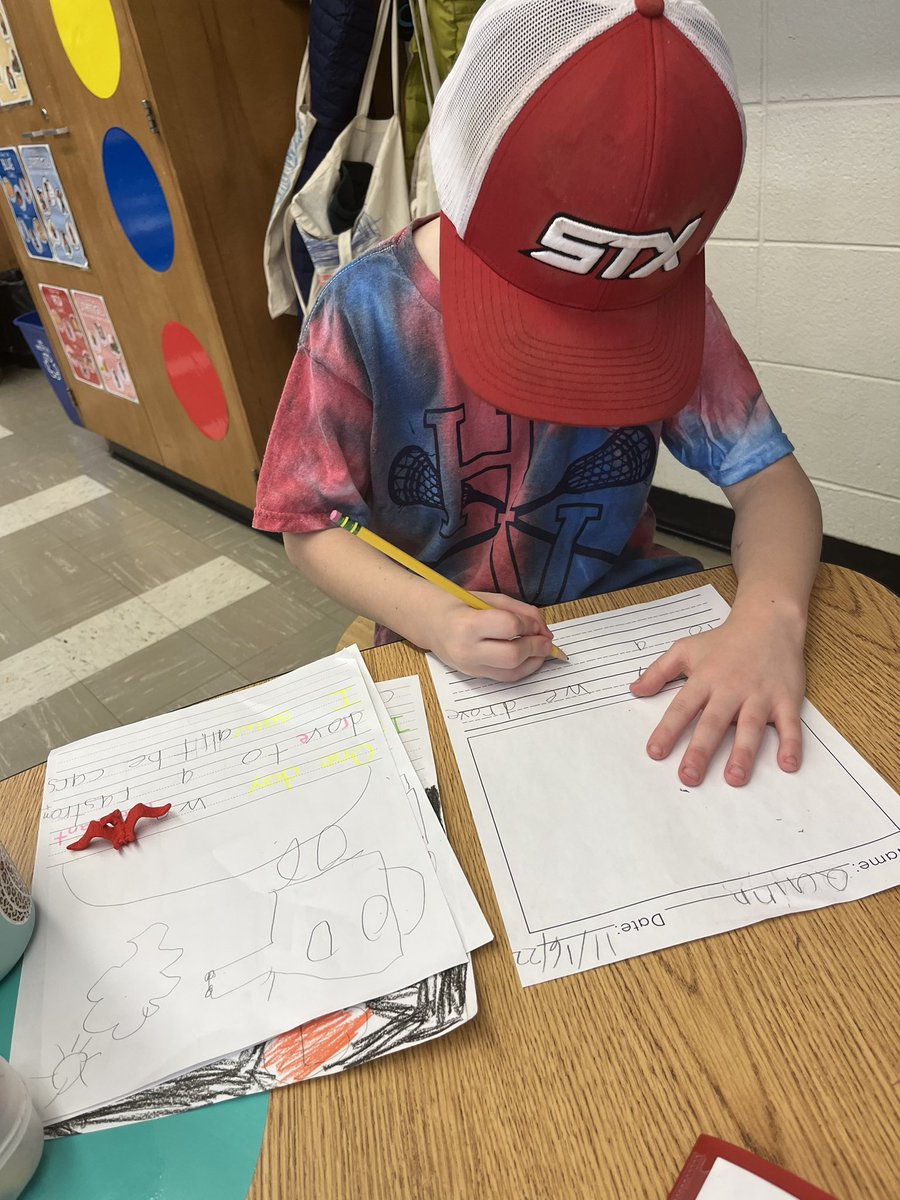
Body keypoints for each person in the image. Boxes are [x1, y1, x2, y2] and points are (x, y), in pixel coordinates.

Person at [254, 0, 822, 789]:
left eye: (615, 332)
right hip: (440, 652)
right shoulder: (363, 309)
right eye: (539, 316)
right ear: (463, 170)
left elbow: (774, 483)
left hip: (627, 631)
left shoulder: (663, 301)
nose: (581, 342)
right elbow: (304, 524)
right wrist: (431, 617)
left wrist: (769, 620)